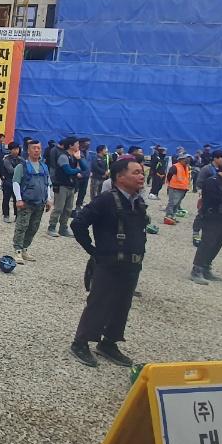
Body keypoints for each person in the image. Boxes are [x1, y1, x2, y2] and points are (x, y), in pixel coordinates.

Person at [69, 156, 149, 368]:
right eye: (136, 172)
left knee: (122, 305)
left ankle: (109, 343)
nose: (141, 176)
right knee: (99, 303)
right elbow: (78, 224)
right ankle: (80, 343)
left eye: (142, 172)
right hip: (108, 264)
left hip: (131, 265)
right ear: (120, 177)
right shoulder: (105, 200)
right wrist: (93, 250)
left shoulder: (138, 202)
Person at [12, 140, 52, 264]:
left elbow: (47, 184)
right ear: (28, 151)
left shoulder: (44, 167)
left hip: (40, 203)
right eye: (34, 148)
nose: (36, 150)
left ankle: (25, 248)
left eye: (38, 148)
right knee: (22, 226)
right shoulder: (22, 166)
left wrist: (49, 199)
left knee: (34, 227)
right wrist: (18, 199)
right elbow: (16, 182)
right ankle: (18, 250)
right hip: (26, 202)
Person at [190, 150, 222, 245]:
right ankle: (196, 232)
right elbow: (199, 182)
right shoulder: (207, 169)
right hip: (207, 195)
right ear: (216, 158)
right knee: (202, 213)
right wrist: (201, 193)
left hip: (220, 196)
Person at [46, 137, 82, 239]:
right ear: (70, 145)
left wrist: (79, 159)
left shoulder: (74, 156)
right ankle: (51, 227)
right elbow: (68, 171)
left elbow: (84, 167)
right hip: (62, 185)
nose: (78, 146)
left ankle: (63, 228)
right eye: (77, 144)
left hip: (71, 185)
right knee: (59, 208)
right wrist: (77, 170)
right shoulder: (63, 156)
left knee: (68, 209)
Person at [163, 154, 192, 225]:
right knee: (172, 203)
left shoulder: (186, 167)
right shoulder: (175, 166)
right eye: (185, 159)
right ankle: (168, 216)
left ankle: (173, 216)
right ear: (180, 160)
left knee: (177, 203)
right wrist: (170, 183)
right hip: (175, 187)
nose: (187, 160)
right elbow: (169, 175)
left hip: (183, 188)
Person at [0, 141, 22, 223]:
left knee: (17, 199)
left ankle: (17, 215)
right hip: (8, 182)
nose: (16, 151)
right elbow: (11, 170)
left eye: (17, 149)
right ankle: (6, 215)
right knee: (6, 199)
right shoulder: (6, 159)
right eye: (14, 149)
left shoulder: (21, 159)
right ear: (10, 150)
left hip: (18, 182)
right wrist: (19, 170)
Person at [73, 138, 93, 209]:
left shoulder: (87, 152)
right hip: (78, 175)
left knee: (83, 192)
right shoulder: (76, 152)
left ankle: (78, 205)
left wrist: (90, 171)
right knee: (74, 190)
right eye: (87, 143)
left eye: (89, 143)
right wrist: (77, 172)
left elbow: (89, 162)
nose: (88, 145)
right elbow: (73, 163)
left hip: (86, 175)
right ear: (81, 143)